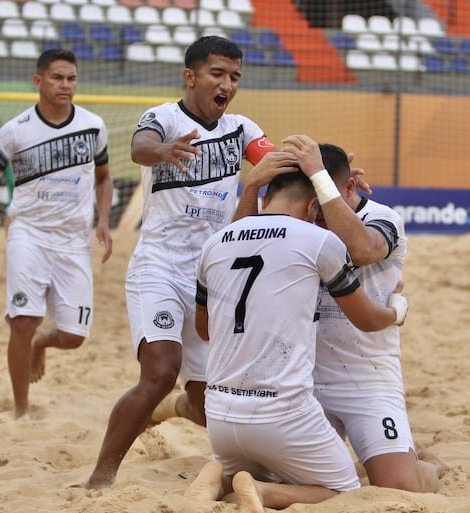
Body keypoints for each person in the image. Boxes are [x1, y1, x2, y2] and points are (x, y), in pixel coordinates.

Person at [85, 36, 285, 489]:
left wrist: (325, 172)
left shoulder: (241, 128)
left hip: (210, 278)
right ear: (191, 76)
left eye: (234, 76)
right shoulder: (164, 117)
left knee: (208, 406)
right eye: (218, 74)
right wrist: (163, 151)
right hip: (159, 267)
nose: (227, 84)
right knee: (159, 373)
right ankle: (101, 477)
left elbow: (275, 164)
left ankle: (171, 410)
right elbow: (140, 146)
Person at [183, 169, 408, 512]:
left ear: (264, 198)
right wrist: (397, 311)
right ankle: (263, 493)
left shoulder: (215, 243)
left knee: (258, 464)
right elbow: (365, 317)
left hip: (221, 418)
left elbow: (204, 330)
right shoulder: (318, 240)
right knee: (346, 491)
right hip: (283, 414)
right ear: (313, 206)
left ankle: (219, 479)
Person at [282, 135, 447, 492]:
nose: (317, 211)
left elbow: (360, 249)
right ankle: (370, 460)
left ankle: (428, 465)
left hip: (368, 379)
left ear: (349, 186)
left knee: (402, 489)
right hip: (303, 379)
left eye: (323, 195)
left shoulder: (383, 217)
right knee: (296, 483)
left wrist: (323, 180)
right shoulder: (304, 216)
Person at [0, 49, 113, 419]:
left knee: (74, 337)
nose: (66, 85)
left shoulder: (93, 126)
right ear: (38, 81)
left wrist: (104, 221)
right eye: (57, 78)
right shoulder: (16, 129)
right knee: (23, 321)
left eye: (72, 79)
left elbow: (105, 177)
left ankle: (42, 345)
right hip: (27, 234)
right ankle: (21, 411)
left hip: (74, 241)